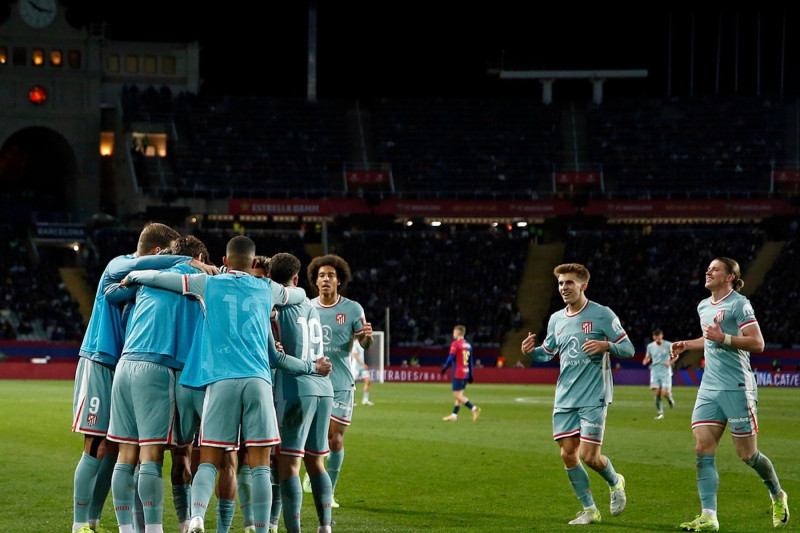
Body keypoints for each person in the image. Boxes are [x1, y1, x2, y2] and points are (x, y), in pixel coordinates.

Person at [121, 235, 331, 533]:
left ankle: (196, 517)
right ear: (255, 263)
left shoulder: (208, 284)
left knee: (209, 460)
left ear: (223, 261)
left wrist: (132, 275)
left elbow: (159, 279)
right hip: (258, 381)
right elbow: (295, 296)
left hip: (220, 384)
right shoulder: (266, 288)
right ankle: (260, 528)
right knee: (259, 464)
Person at [70, 222, 214, 533]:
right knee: (119, 449)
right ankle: (94, 524)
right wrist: (192, 264)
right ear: (158, 252)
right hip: (108, 359)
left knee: (120, 450)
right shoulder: (124, 265)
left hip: (124, 363)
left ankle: (105, 523)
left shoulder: (139, 282)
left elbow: (112, 296)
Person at [670, 257, 790, 532]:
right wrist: (686, 344)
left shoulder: (739, 304)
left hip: (737, 387)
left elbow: (757, 342)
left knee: (748, 455)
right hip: (709, 388)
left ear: (729, 277)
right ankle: (709, 516)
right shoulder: (703, 305)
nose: (708, 271)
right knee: (702, 449)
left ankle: (777, 494)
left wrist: (723, 337)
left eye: (715, 269)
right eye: (708, 268)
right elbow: (709, 338)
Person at [520, 263, 634, 525]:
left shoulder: (602, 314)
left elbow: (627, 348)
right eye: (560, 283)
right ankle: (590, 510)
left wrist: (607, 345)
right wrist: (530, 351)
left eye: (569, 283)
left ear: (583, 285)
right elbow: (546, 353)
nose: (563, 288)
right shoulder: (556, 319)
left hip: (594, 395)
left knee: (589, 456)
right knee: (567, 454)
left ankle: (615, 482)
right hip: (565, 396)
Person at [270, 252, 334, 533]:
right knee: (316, 463)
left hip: (296, 387)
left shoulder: (276, 307)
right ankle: (325, 526)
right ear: (297, 279)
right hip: (324, 388)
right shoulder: (310, 306)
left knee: (289, 466)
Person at [302, 254, 373, 509]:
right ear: (315, 280)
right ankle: (313, 473)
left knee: (335, 439)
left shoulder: (353, 308)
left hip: (341, 383)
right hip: (312, 380)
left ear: (339, 281)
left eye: (331, 275)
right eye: (321, 275)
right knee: (313, 438)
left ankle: (328, 490)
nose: (325, 279)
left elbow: (362, 341)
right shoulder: (307, 307)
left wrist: (367, 338)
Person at [441, 325, 480, 421]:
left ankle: (474, 408)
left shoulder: (456, 344)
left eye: (454, 332)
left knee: (456, 395)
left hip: (458, 373)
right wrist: (471, 374)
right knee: (460, 396)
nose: (453, 334)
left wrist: (445, 367)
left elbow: (450, 357)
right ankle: (454, 415)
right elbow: (470, 362)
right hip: (466, 373)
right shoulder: (468, 345)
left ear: (458, 333)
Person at [642, 328, 675, 419]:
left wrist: (670, 363)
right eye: (655, 336)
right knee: (656, 393)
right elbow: (648, 356)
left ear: (662, 335)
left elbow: (676, 356)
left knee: (665, 393)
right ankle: (660, 412)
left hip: (665, 371)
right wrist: (646, 360)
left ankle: (669, 399)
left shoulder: (668, 345)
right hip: (655, 371)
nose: (657, 338)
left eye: (659, 336)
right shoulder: (650, 346)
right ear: (653, 337)